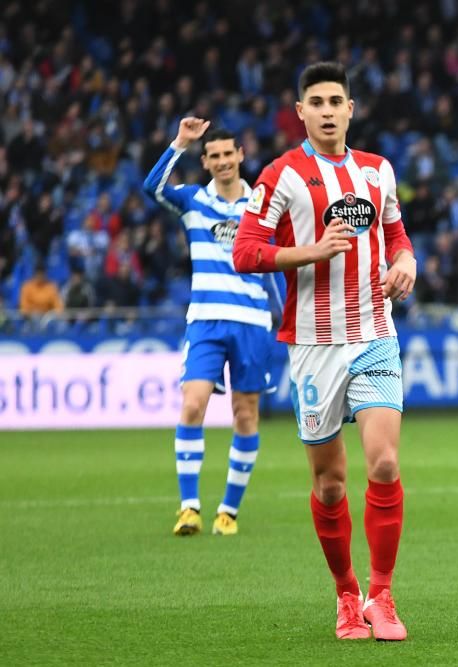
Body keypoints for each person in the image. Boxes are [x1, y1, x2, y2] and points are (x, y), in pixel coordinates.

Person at [233, 62, 417, 642]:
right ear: (302, 111)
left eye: (338, 100)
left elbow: (395, 234)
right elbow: (246, 252)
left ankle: (381, 596)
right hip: (313, 346)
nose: (329, 110)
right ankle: (345, 594)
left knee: (384, 464)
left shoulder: (377, 170)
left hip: (374, 333)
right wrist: (310, 252)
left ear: (351, 109)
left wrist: (406, 262)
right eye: (318, 101)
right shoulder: (280, 175)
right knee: (331, 483)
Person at [143, 119, 280, 538]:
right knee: (192, 405)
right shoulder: (193, 201)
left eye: (228, 154)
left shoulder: (263, 205)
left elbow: (278, 264)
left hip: (253, 323)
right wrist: (180, 143)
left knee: (245, 412)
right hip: (205, 320)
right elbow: (152, 188)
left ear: (241, 155)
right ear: (205, 162)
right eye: (213, 156)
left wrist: (285, 312)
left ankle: (228, 512)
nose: (222, 162)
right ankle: (189, 508)